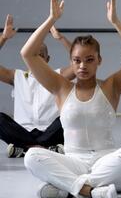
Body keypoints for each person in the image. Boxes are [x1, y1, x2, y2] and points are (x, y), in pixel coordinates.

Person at [21, 0, 121, 198]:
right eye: (77, 60)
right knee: (32, 156)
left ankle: (68, 187)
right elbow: (28, 53)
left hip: (106, 161)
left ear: (99, 61)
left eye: (89, 60)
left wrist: (116, 22)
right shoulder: (61, 87)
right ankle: (90, 191)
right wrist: (51, 19)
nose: (83, 66)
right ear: (71, 62)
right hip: (73, 161)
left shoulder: (112, 86)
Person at [0, 14, 75, 157]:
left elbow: (79, 63)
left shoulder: (58, 75)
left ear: (47, 59)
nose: (35, 59)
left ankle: (24, 148)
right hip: (22, 132)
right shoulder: (17, 76)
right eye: (32, 55)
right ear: (27, 58)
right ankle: (44, 148)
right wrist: (3, 37)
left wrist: (61, 38)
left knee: (70, 114)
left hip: (50, 132)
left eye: (40, 55)